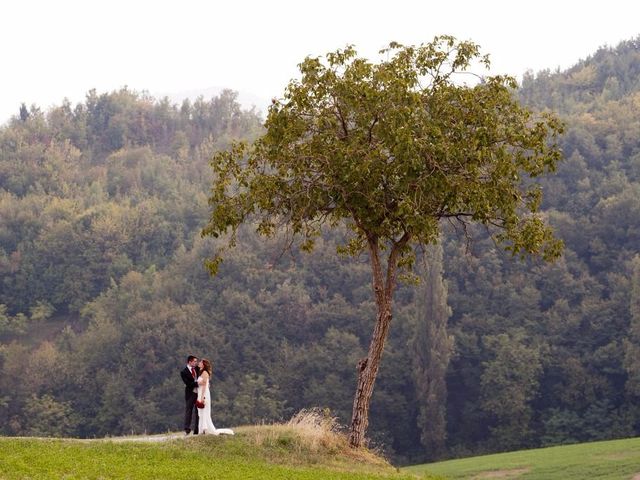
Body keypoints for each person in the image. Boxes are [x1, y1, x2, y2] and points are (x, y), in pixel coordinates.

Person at [196, 358, 234, 435]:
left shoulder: (205, 373)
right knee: (201, 412)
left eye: (200, 362)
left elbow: (204, 386)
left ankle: (205, 429)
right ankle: (203, 429)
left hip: (203, 393)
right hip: (200, 393)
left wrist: (202, 397)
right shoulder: (201, 372)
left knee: (205, 411)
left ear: (203, 364)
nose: (199, 363)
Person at [180, 355, 200, 435]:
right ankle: (187, 429)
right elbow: (188, 384)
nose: (196, 363)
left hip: (198, 393)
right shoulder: (184, 372)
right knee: (189, 411)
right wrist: (198, 383)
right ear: (190, 362)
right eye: (194, 361)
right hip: (190, 393)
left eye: (196, 361)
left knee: (198, 411)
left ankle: (197, 429)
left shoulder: (197, 369)